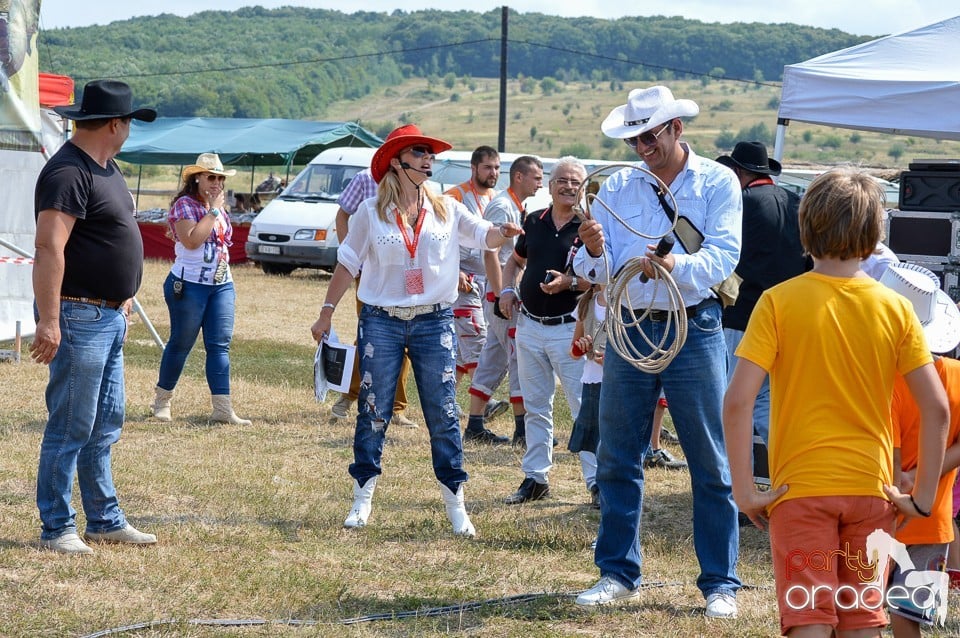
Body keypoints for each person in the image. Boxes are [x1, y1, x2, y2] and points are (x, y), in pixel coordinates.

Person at [724, 167, 949, 637]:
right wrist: (923, 498)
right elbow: (937, 409)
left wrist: (745, 491)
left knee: (809, 619)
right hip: (872, 490)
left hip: (799, 491)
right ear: (875, 234)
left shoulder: (777, 302)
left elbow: (738, 402)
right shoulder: (896, 307)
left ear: (804, 227)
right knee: (862, 619)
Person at [574, 86, 742, 617]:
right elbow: (594, 272)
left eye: (650, 134)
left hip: (693, 323)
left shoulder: (717, 181)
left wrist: (675, 269)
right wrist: (595, 251)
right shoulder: (617, 187)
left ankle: (721, 583)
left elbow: (724, 255)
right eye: (635, 137)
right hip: (629, 326)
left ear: (676, 129)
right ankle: (617, 573)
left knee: (709, 459)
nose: (642, 145)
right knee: (617, 453)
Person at [310, 124, 522, 536]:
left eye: (431, 154)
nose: (429, 160)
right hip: (381, 321)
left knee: (442, 413)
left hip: (434, 322)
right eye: (421, 152)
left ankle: (456, 504)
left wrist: (503, 232)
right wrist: (326, 312)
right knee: (374, 410)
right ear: (398, 162)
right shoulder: (371, 213)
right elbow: (347, 262)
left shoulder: (447, 207)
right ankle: (362, 498)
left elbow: (483, 236)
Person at [30, 79, 159, 554]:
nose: (129, 130)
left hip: (106, 316)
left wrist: (121, 295)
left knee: (105, 423)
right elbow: (48, 247)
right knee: (70, 425)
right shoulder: (67, 171)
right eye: (128, 122)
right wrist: (49, 319)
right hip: (78, 315)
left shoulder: (106, 167)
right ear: (114, 124)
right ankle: (57, 527)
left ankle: (103, 518)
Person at [500, 156, 591, 505]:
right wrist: (507, 289)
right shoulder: (533, 221)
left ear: (583, 189)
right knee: (536, 406)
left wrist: (570, 282)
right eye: (563, 180)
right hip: (530, 327)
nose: (569, 187)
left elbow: (601, 277)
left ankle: (596, 482)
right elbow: (515, 260)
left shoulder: (588, 227)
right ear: (550, 186)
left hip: (570, 328)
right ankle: (535, 478)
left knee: (584, 407)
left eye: (576, 182)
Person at [884, 263, 960, 637]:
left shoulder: (888, 386)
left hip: (877, 521)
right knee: (907, 618)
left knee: (855, 612)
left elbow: (891, 468)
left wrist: (910, 477)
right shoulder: (955, 375)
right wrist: (930, 471)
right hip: (933, 521)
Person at [716, 141, 808, 447]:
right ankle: (789, 467)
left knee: (737, 397)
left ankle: (729, 476)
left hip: (744, 314)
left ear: (739, 172)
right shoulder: (796, 202)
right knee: (774, 397)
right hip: (791, 312)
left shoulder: (741, 202)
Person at [150, 153, 251, 426]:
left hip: (221, 285)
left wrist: (217, 210)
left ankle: (222, 408)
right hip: (189, 285)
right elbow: (192, 240)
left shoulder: (217, 207)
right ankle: (162, 401)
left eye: (220, 177)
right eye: (211, 177)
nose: (217, 182)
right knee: (181, 343)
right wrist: (214, 211)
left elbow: (222, 242)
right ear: (197, 178)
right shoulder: (185, 205)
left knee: (219, 346)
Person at [465, 155, 544, 445]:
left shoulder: (513, 205)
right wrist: (501, 295)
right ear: (520, 177)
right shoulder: (502, 206)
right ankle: (523, 429)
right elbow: (490, 252)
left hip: (500, 294)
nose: (541, 183)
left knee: (493, 356)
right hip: (500, 295)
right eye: (536, 177)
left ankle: (474, 424)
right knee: (517, 358)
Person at [330, 167, 417, 428]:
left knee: (408, 340)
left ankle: (398, 408)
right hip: (371, 273)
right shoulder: (365, 179)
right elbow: (342, 215)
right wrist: (352, 255)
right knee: (368, 336)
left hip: (408, 273)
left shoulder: (421, 187)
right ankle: (349, 395)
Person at [444, 147, 501, 395]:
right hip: (461, 281)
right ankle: (484, 402)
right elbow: (438, 239)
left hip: (485, 280)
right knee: (477, 338)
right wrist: (453, 269)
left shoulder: (496, 198)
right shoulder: (454, 196)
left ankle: (447, 401)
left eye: (497, 167)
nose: (493, 172)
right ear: (474, 167)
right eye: (488, 167)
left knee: (459, 351)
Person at [568, 283, 606, 508]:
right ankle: (596, 486)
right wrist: (581, 347)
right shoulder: (585, 304)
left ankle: (609, 485)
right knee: (594, 437)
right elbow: (573, 351)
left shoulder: (624, 302)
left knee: (610, 436)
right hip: (592, 378)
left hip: (616, 378)